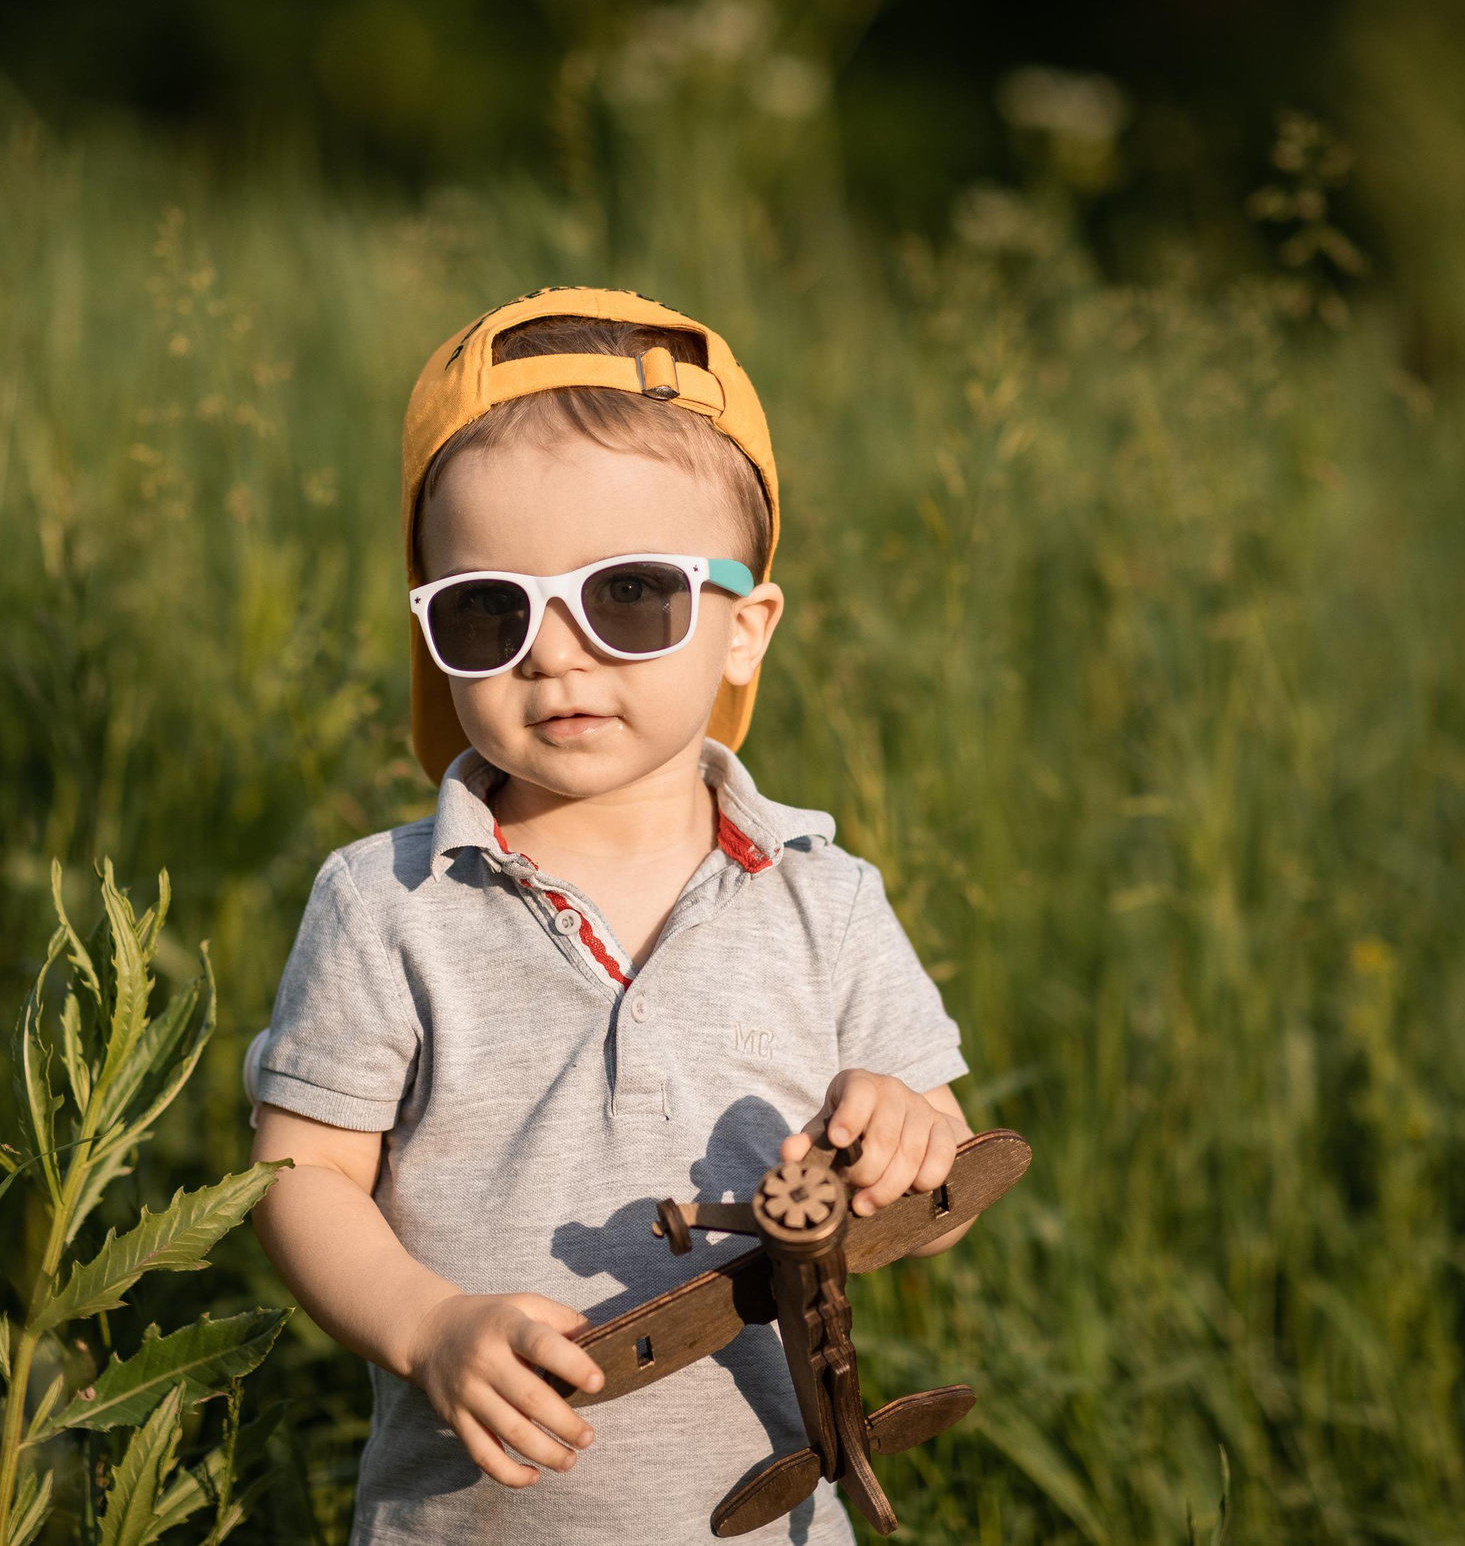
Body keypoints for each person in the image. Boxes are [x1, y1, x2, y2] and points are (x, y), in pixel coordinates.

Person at [245, 286, 972, 1544]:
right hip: (467, 1523)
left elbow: (943, 1182)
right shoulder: (385, 903)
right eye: (489, 608)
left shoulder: (825, 899)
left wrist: (909, 1137)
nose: (554, 652)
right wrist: (425, 1325)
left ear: (744, 630)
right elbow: (299, 1177)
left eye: (629, 595)